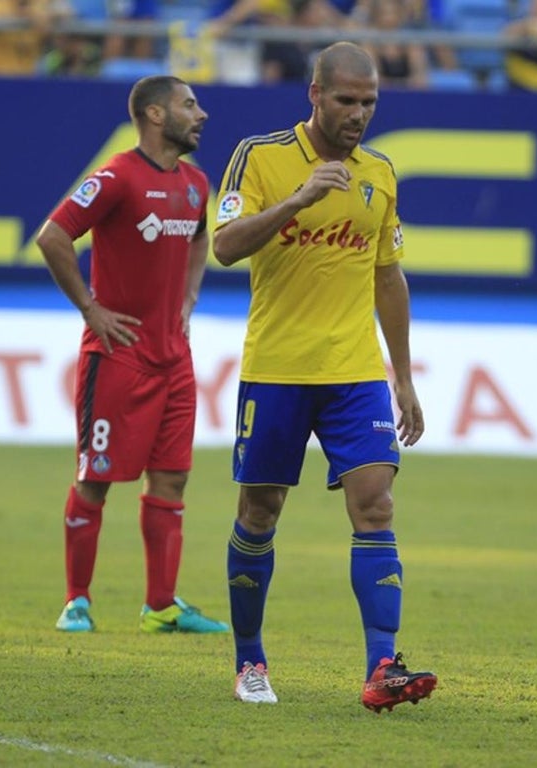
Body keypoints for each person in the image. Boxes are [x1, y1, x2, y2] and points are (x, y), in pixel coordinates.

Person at [212, 41, 437, 711]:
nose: (358, 114)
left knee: (376, 503)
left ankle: (382, 668)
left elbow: (387, 276)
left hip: (354, 372)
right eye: (346, 100)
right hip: (278, 369)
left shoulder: (380, 173)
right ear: (314, 95)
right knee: (260, 511)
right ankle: (249, 659)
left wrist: (403, 376)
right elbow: (223, 246)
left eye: (369, 102)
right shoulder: (262, 157)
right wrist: (297, 201)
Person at [34, 75, 229, 636]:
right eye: (189, 105)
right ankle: (77, 602)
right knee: (96, 479)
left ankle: (161, 606)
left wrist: (191, 295)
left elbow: (198, 239)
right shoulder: (117, 176)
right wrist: (91, 309)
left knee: (171, 480)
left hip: (175, 360)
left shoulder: (195, 183)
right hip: (117, 357)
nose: (202, 114)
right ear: (154, 115)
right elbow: (53, 236)